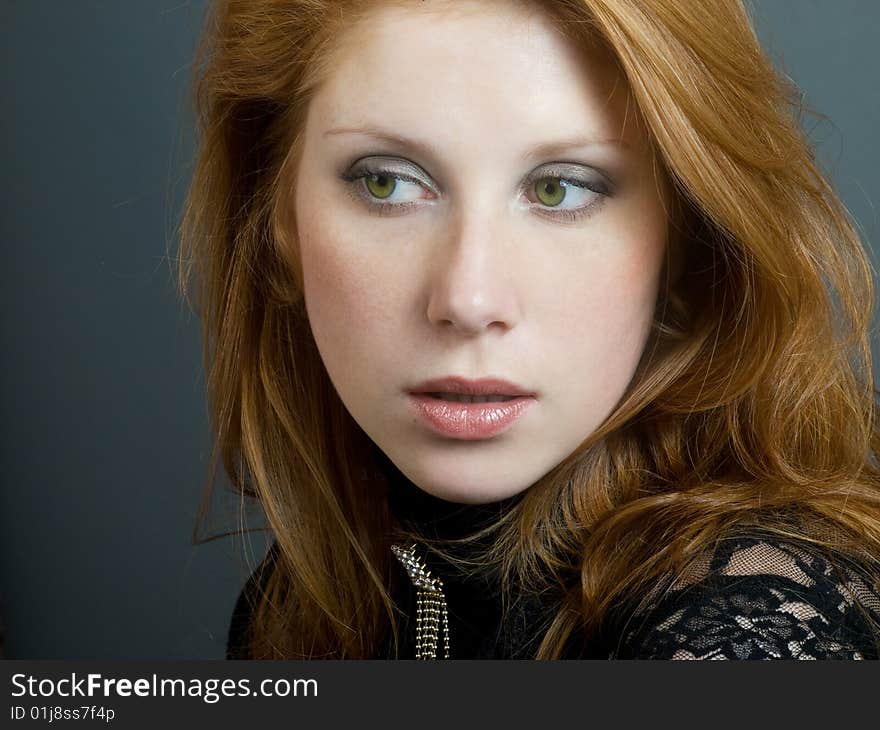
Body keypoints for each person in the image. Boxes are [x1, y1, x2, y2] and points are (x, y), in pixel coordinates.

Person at [178, 0, 880, 660]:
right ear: (280, 223)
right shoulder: (303, 598)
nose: (469, 298)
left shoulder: (744, 623)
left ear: (685, 242)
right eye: (388, 182)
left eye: (561, 188)